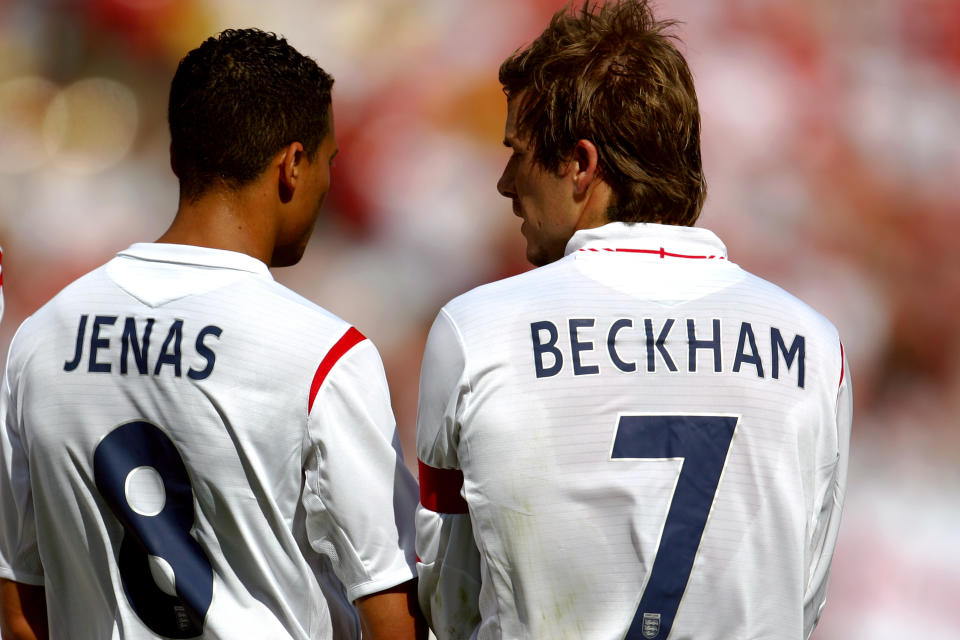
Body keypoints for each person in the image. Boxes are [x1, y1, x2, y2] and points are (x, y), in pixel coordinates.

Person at [414, 2, 852, 639]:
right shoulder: (814, 345)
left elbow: (449, 599)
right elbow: (804, 597)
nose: (506, 183)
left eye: (519, 152)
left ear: (582, 165)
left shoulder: (475, 330)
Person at [0, 29, 424, 640]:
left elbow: (20, 611)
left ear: (176, 157)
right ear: (293, 165)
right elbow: (392, 614)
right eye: (326, 163)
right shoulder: (322, 353)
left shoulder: (39, 339)